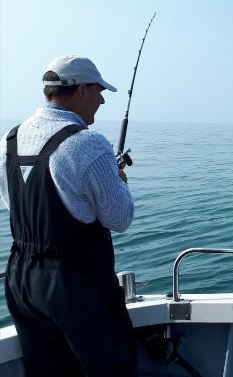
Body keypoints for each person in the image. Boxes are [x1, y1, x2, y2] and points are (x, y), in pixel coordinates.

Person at [0, 55, 136, 376]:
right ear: (81, 91)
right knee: (113, 367)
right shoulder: (87, 143)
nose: (102, 99)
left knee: (48, 370)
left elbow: (13, 201)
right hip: (74, 280)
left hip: (20, 280)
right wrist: (118, 181)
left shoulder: (11, 139)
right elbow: (120, 218)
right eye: (99, 90)